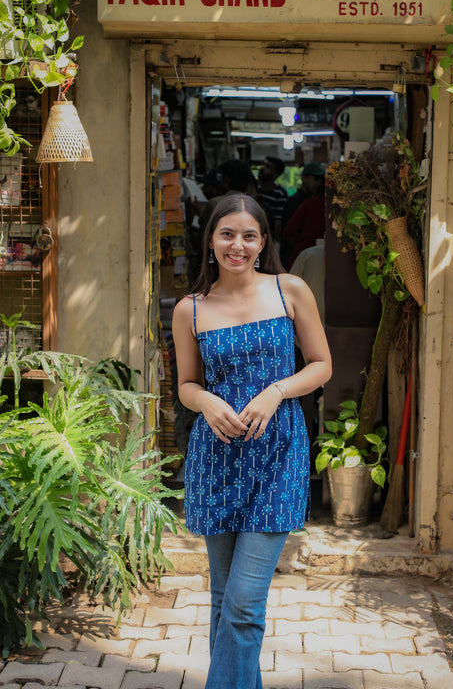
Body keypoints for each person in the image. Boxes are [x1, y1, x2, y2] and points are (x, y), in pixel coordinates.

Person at [172, 193, 331, 689]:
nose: (237, 245)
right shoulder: (190, 309)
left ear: (263, 242)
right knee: (223, 601)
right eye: (227, 234)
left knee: (242, 604)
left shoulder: (291, 290)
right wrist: (206, 403)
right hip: (215, 460)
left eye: (248, 235)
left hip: (278, 456)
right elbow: (186, 384)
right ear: (211, 241)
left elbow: (321, 365)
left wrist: (276, 392)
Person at [280, 161, 326, 267]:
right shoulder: (295, 202)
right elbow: (287, 234)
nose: (319, 184)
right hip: (296, 259)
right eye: (315, 179)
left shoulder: (315, 201)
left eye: (321, 180)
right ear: (304, 178)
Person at [255, 156, 288, 240]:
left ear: (275, 175)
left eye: (268, 167)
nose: (262, 168)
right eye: (263, 164)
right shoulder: (254, 189)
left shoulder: (280, 194)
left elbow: (278, 221)